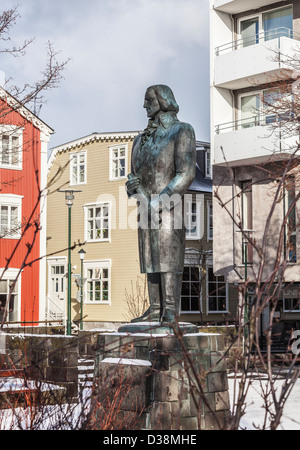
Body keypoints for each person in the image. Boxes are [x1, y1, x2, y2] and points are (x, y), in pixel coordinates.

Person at [126, 85, 196, 323]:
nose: (144, 105)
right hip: (144, 205)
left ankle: (169, 309)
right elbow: (133, 174)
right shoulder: (139, 140)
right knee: (149, 258)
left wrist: (160, 201)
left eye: (148, 100)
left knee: (167, 258)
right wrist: (133, 188)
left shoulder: (181, 131)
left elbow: (185, 173)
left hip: (169, 206)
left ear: (162, 101)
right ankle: (154, 308)